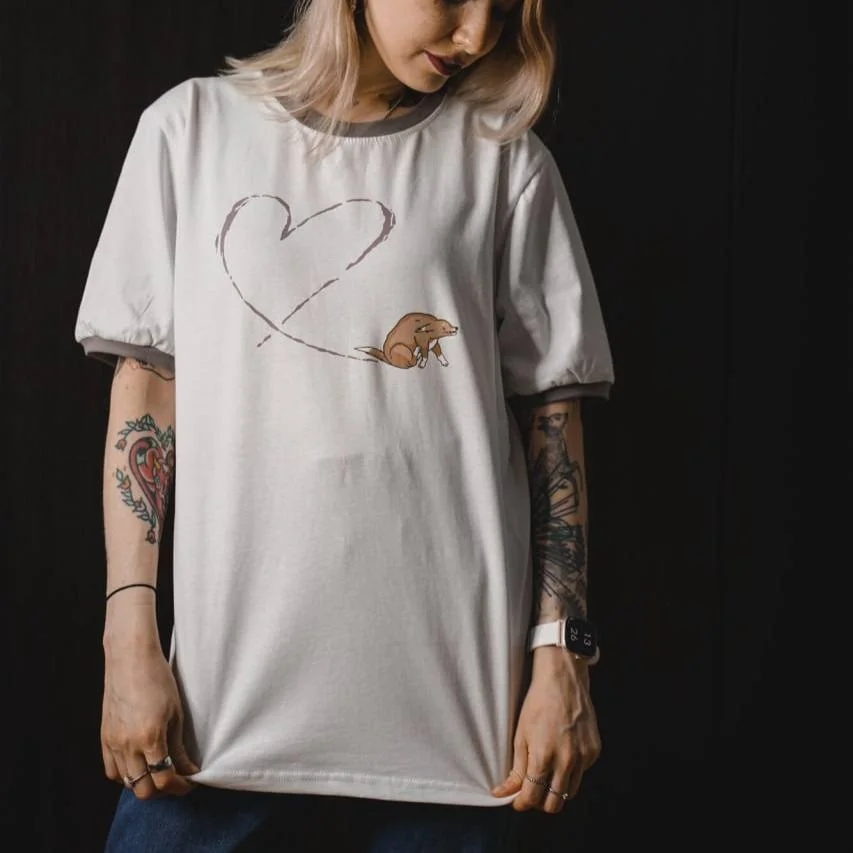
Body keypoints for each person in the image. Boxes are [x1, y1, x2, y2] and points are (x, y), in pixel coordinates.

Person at [74, 0, 615, 850]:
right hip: (213, 729)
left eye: (503, 8)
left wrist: (562, 656)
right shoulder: (188, 131)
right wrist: (126, 640)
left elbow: (553, 423)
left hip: (458, 745)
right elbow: (145, 394)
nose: (476, 35)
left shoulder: (504, 161)